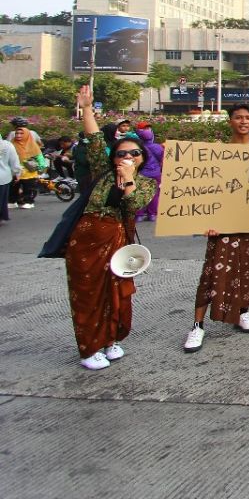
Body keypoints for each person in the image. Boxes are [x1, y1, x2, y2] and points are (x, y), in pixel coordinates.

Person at [64, 85, 157, 370]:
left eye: (133, 153)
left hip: (119, 242)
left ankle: (110, 340)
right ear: (112, 157)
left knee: (117, 292)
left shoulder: (146, 184)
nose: (126, 157)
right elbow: (93, 139)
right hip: (88, 241)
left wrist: (128, 179)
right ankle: (89, 347)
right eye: (120, 153)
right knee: (90, 295)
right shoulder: (102, 174)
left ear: (141, 158)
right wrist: (87, 108)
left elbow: (133, 205)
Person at [183, 105, 249, 353]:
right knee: (212, 274)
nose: (244, 121)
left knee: (248, 271)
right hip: (223, 226)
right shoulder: (217, 153)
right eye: (239, 117)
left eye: (248, 118)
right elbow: (203, 189)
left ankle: (243, 312)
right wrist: (204, 221)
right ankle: (197, 326)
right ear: (230, 121)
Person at [133, 123, 164, 222]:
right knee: (155, 194)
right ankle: (152, 214)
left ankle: (139, 215)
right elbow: (162, 159)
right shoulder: (158, 147)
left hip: (142, 173)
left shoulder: (138, 147)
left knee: (140, 193)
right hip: (156, 173)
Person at [10, 119, 43, 209]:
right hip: (15, 170)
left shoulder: (33, 145)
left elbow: (39, 156)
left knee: (28, 187)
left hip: (29, 171)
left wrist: (41, 166)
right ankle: (12, 201)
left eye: (21, 134)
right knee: (13, 187)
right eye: (17, 133)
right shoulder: (11, 144)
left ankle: (28, 201)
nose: (18, 135)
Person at [0, 135, 20, 224]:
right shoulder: (7, 145)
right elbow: (14, 161)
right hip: (3, 177)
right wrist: (17, 173)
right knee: (2, 198)